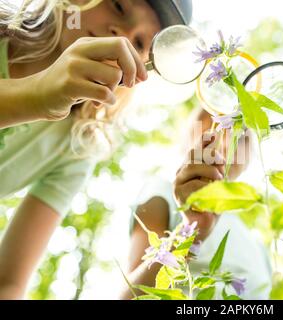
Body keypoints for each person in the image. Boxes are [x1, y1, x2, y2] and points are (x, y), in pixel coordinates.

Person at [0, 0, 192, 299]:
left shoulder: (77, 146)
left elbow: (8, 282)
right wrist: (36, 94)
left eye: (140, 42)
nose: (123, 34)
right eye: (118, 6)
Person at [123, 108, 272, 300]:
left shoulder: (254, 239)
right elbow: (130, 295)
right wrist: (191, 232)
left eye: (240, 136)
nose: (226, 143)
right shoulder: (165, 192)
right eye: (211, 130)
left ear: (249, 157)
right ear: (187, 143)